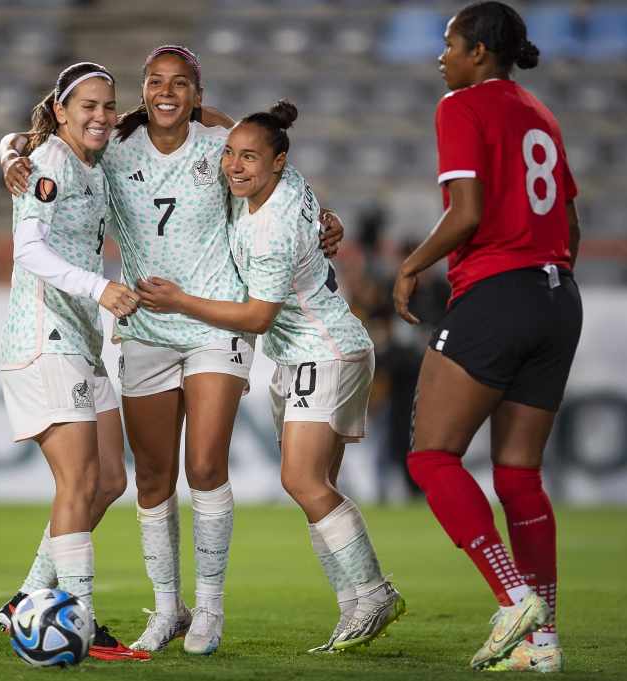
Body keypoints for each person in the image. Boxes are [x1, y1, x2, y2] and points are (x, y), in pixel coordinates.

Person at [0, 45, 344, 656]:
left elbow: (271, 169)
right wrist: (11, 151)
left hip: (214, 323)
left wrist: (321, 217)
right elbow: (49, 143)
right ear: (141, 90)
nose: (166, 92)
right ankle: (166, 612)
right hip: (144, 332)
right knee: (150, 477)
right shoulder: (112, 152)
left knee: (205, 465)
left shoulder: (220, 147)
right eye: (154, 82)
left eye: (180, 83)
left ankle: (208, 609)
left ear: (197, 91)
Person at [136, 101, 404, 654]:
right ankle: (354, 606)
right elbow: (240, 132)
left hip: (320, 352)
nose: (234, 165)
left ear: (278, 162)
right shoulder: (284, 181)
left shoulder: (271, 228)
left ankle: (374, 591)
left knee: (302, 482)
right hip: (321, 349)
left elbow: (258, 317)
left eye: (249, 158)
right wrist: (188, 108)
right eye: (231, 154)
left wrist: (180, 301)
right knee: (318, 488)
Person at [392, 2, 582, 672]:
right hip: (558, 296)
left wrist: (411, 264)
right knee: (519, 471)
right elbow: (569, 220)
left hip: (497, 291)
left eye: (449, 45)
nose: (441, 57)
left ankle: (511, 596)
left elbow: (465, 212)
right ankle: (543, 639)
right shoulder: (540, 113)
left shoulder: (462, 106)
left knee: (431, 455)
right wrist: (542, 283)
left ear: (478, 52)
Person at [0, 61, 149, 662]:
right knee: (79, 481)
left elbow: (12, 140)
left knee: (109, 479)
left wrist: (7, 149)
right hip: (42, 339)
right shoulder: (52, 163)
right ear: (61, 110)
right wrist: (99, 287)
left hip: (78, 340)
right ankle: (81, 623)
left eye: (108, 106)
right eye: (88, 105)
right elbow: (27, 249)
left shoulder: (86, 160)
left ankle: (27, 598)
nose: (102, 116)